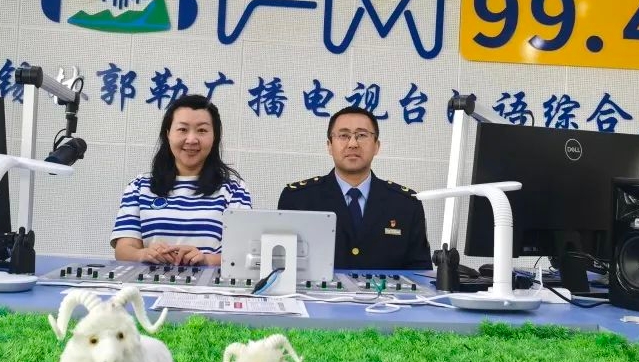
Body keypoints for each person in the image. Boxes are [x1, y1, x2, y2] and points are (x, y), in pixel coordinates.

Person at [277, 106, 432, 270]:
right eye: (343, 136)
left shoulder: (406, 204)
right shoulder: (298, 199)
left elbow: (420, 272)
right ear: (329, 145)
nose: (352, 144)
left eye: (362, 135)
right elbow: (281, 266)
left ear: (376, 146)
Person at [111, 95, 251, 266]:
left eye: (202, 130)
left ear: (214, 137)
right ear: (168, 134)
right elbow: (124, 250)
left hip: (210, 282)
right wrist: (144, 254)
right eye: (183, 129)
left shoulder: (235, 190)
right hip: (149, 282)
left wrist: (204, 259)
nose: (191, 140)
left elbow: (243, 255)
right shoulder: (139, 187)